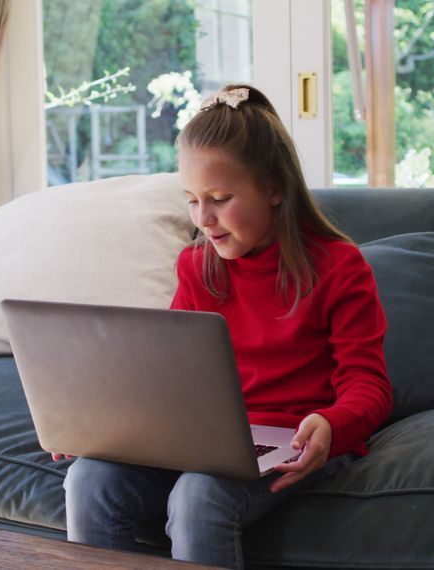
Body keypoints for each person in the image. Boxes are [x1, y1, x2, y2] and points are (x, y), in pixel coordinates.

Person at [57, 84, 392, 569]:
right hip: (207, 441)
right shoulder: (197, 266)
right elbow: (165, 374)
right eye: (192, 200)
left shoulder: (340, 266)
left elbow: (370, 384)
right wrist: (97, 426)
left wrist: (330, 425)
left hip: (295, 440)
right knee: (89, 479)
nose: (204, 219)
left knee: (199, 495)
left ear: (275, 188)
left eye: (220, 198)